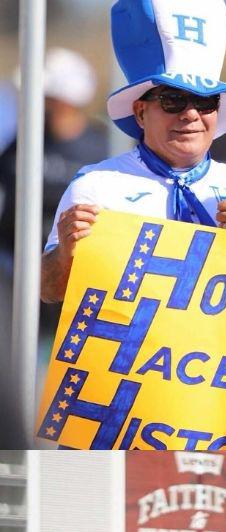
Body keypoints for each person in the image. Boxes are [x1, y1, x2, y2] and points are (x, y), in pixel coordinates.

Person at [40, 0, 226, 305]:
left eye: (206, 101)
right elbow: (47, 291)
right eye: (174, 99)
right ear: (140, 111)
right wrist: (67, 252)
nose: (191, 115)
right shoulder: (96, 185)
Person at [0, 49, 107, 353]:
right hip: (19, 281)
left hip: (77, 288)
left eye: (47, 96)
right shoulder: (20, 145)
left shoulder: (101, 149)